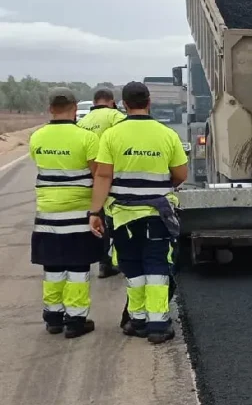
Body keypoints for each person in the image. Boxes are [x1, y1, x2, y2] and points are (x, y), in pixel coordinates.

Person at [88, 82, 188, 344]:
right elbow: (180, 174)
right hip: (157, 215)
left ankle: (138, 320)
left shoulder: (112, 135)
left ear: (123, 104)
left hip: (122, 216)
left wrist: (95, 211)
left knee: (132, 266)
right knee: (156, 265)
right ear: (149, 102)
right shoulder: (166, 134)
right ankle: (158, 324)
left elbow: (103, 175)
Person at [29, 88, 101, 338]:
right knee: (78, 268)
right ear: (73, 109)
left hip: (47, 214)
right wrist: (98, 209)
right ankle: (76, 321)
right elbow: (97, 174)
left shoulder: (37, 137)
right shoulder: (87, 138)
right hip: (78, 214)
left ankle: (53, 318)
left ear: (50, 109)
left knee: (52, 268)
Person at [76, 87, 126, 279]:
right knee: (115, 219)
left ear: (94, 102)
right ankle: (113, 260)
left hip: (89, 176)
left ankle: (101, 260)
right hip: (110, 175)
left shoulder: (82, 122)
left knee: (99, 218)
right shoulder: (115, 116)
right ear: (112, 101)